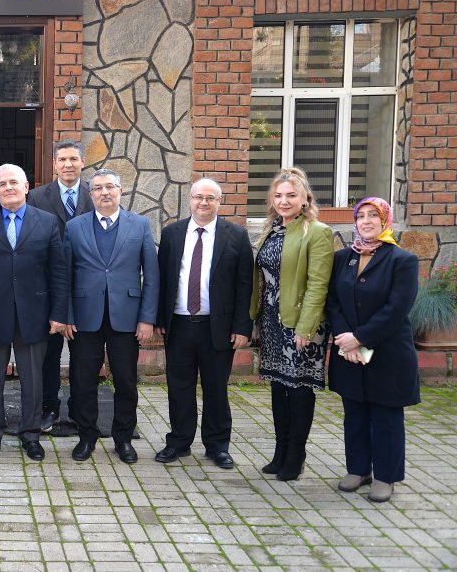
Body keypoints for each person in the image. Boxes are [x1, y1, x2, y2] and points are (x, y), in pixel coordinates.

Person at [0, 164, 67, 463]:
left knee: (33, 381)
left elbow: (58, 271)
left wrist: (58, 313)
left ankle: (31, 435)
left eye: (14, 182)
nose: (8, 187)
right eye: (1, 184)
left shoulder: (48, 223)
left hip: (34, 313)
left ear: (26, 187)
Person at [327, 197, 420, 503]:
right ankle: (358, 469)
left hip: (388, 352)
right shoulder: (343, 258)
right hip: (349, 350)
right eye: (361, 216)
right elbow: (334, 302)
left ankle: (385, 476)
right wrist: (344, 337)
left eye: (372, 216)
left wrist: (361, 338)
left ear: (385, 220)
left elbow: (396, 309)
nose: (366, 221)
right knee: (354, 411)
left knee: (385, 415)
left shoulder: (402, 260)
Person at [155, 179, 253, 469]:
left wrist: (242, 326)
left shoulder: (236, 235)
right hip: (180, 324)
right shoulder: (172, 233)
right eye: (199, 197)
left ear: (219, 202)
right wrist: (160, 318)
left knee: (216, 388)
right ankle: (179, 441)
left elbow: (245, 285)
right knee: (179, 387)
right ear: (190, 200)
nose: (204, 203)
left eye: (210, 198)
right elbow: (163, 278)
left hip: (217, 325)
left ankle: (217, 445)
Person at [65, 169, 158, 463]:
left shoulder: (140, 225)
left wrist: (147, 318)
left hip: (127, 319)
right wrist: (67, 315)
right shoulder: (74, 226)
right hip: (85, 317)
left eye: (110, 187)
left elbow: (151, 275)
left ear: (120, 191)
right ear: (90, 194)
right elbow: (65, 276)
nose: (104, 193)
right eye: (98, 189)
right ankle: (86, 437)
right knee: (83, 381)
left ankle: (123, 438)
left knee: (126, 381)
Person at [250, 167, 333, 482]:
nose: (284, 201)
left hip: (301, 324)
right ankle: (280, 452)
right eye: (279, 195)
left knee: (298, 390)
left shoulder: (317, 232)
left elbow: (318, 284)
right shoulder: (272, 229)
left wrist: (306, 328)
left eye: (291, 195)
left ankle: (296, 456)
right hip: (272, 321)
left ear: (305, 198)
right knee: (278, 387)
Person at [27, 139, 94, 432]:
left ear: (82, 163)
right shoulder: (37, 197)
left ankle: (80, 409)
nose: (68, 164)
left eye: (73, 159)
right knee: (49, 355)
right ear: (54, 164)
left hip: (86, 288)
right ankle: (49, 407)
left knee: (83, 355)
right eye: (62, 160)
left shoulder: (96, 195)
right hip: (49, 290)